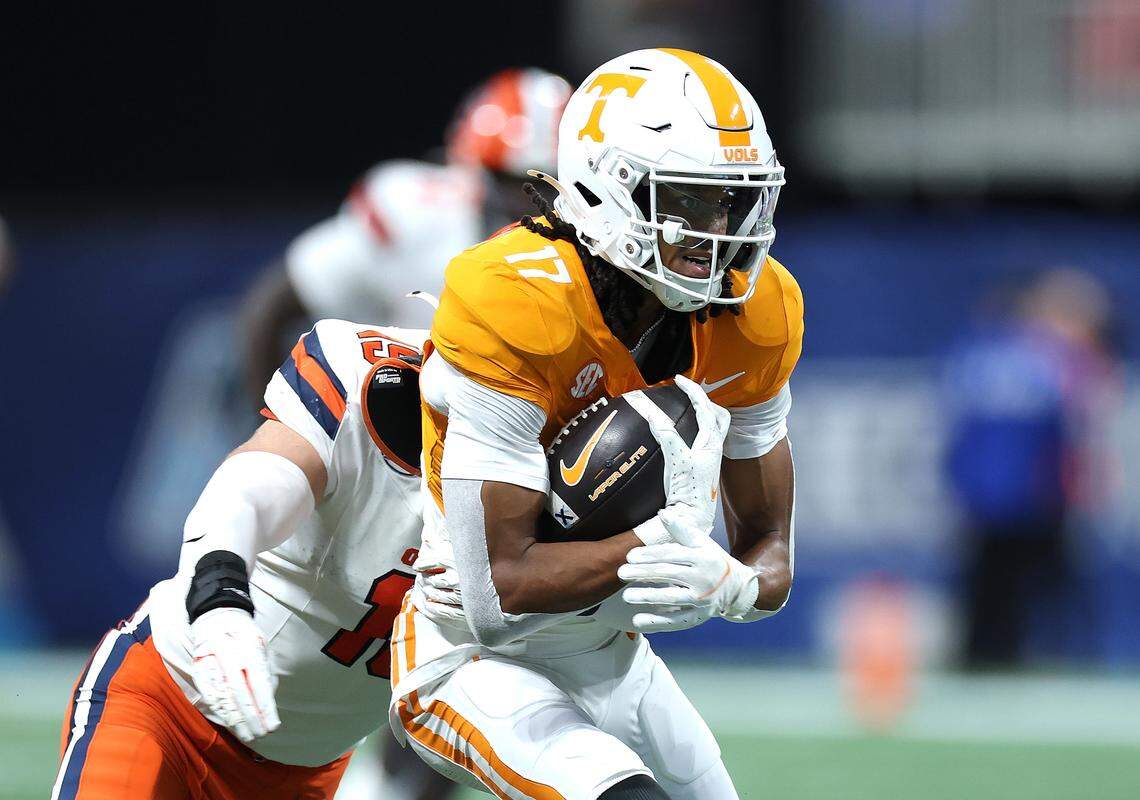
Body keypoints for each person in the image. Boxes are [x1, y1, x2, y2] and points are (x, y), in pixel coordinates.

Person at [390, 48, 803, 799]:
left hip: (610, 653)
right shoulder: (514, 299)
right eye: (692, 201)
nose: (722, 231)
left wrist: (732, 585)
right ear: (604, 187)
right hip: (471, 658)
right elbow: (499, 592)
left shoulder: (758, 312)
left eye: (733, 203)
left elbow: (770, 549)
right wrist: (657, 543)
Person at [51, 321, 436, 799]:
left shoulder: (546, 478)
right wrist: (220, 599)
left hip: (306, 773)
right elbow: (247, 493)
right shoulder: (369, 376)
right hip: (168, 708)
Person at [241, 68, 572, 402]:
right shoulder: (415, 216)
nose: (529, 201)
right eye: (510, 181)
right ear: (468, 166)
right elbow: (273, 305)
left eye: (549, 182)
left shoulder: (606, 250)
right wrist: (264, 420)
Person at [944, 269, 1119, 667]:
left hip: (989, 500)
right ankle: (1057, 659)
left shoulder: (982, 353)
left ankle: (989, 660)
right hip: (1038, 500)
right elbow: (1082, 428)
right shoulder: (1059, 362)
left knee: (993, 598)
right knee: (1046, 598)